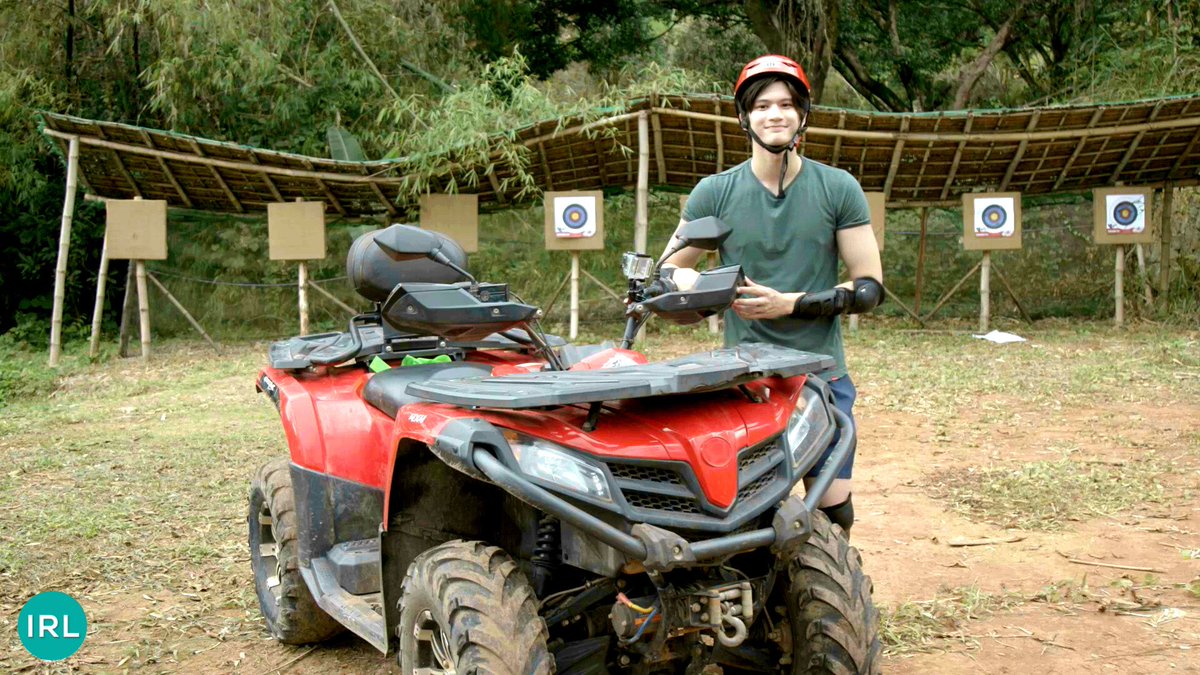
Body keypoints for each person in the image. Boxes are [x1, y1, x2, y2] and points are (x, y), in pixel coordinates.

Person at [660, 55, 884, 537]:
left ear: (803, 114)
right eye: (762, 105)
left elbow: (868, 286)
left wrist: (794, 303)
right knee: (742, 508)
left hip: (822, 373)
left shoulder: (838, 187)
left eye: (786, 103)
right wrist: (706, 288)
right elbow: (668, 271)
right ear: (745, 117)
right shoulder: (714, 193)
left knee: (831, 510)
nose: (774, 114)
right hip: (744, 379)